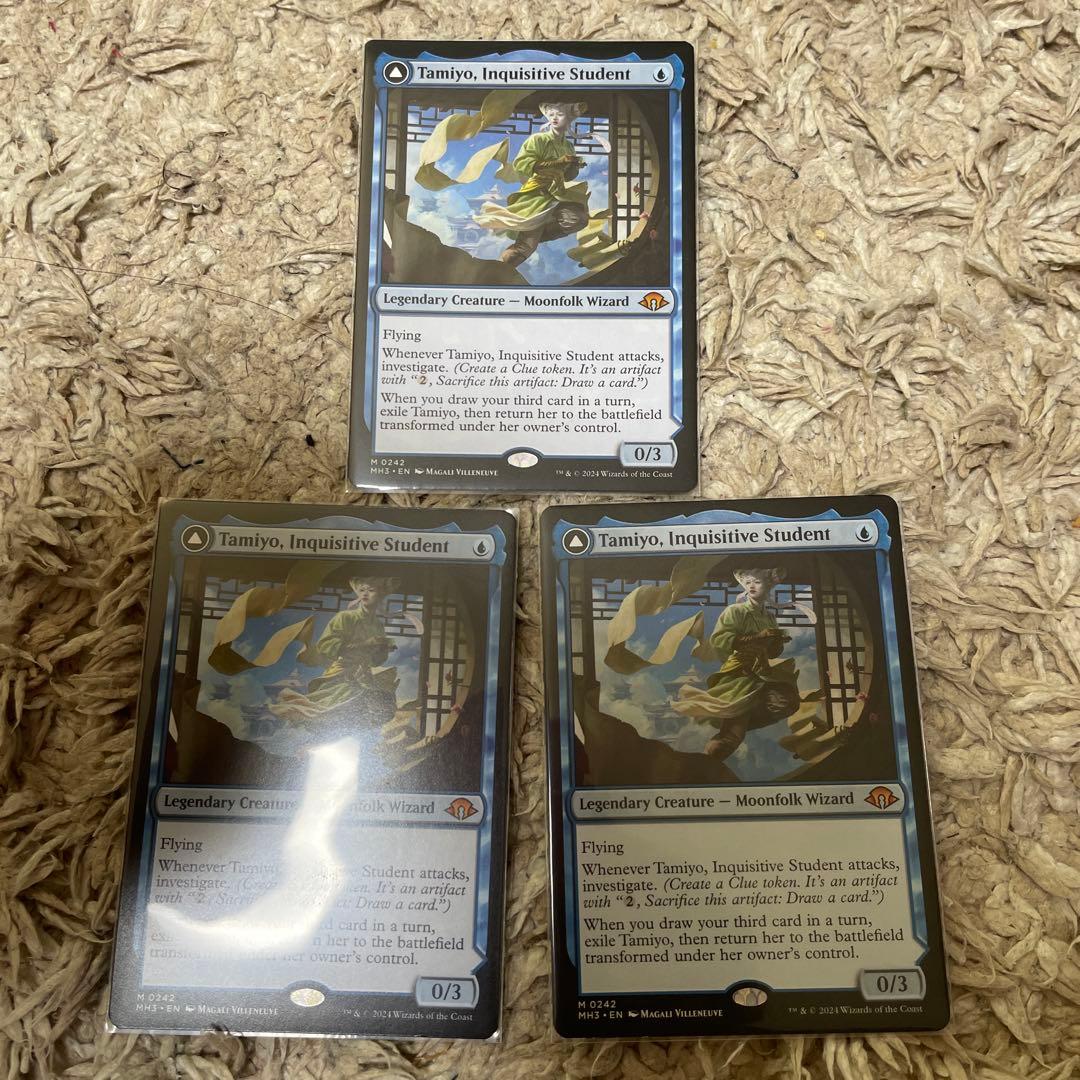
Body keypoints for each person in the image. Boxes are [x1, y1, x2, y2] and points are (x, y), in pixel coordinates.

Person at [674, 568, 801, 760]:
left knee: (787, 702)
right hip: (740, 671)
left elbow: (773, 652)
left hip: (763, 671)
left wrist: (776, 642)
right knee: (732, 737)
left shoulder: (769, 617)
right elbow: (719, 640)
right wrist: (756, 637)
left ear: (768, 586)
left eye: (757, 582)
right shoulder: (735, 611)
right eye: (748, 582)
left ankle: (740, 721)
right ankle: (709, 761)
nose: (751, 586)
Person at [270, 578, 398, 736]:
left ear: (380, 595)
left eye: (371, 590)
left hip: (364, 674)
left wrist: (383, 650)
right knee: (329, 712)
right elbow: (326, 645)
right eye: (362, 590)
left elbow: (376, 661)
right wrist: (365, 644)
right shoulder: (344, 617)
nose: (365, 594)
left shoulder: (378, 625)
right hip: (342, 672)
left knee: (379, 710)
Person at [473, 102, 591, 267]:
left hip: (558, 193)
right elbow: (521, 164)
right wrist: (557, 162)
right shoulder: (537, 139)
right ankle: (499, 270)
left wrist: (573, 166)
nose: (554, 118)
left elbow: (568, 177)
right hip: (537, 194)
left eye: (560, 115)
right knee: (525, 248)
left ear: (569, 119)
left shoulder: (568, 146)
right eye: (551, 115)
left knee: (579, 219)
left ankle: (534, 233)